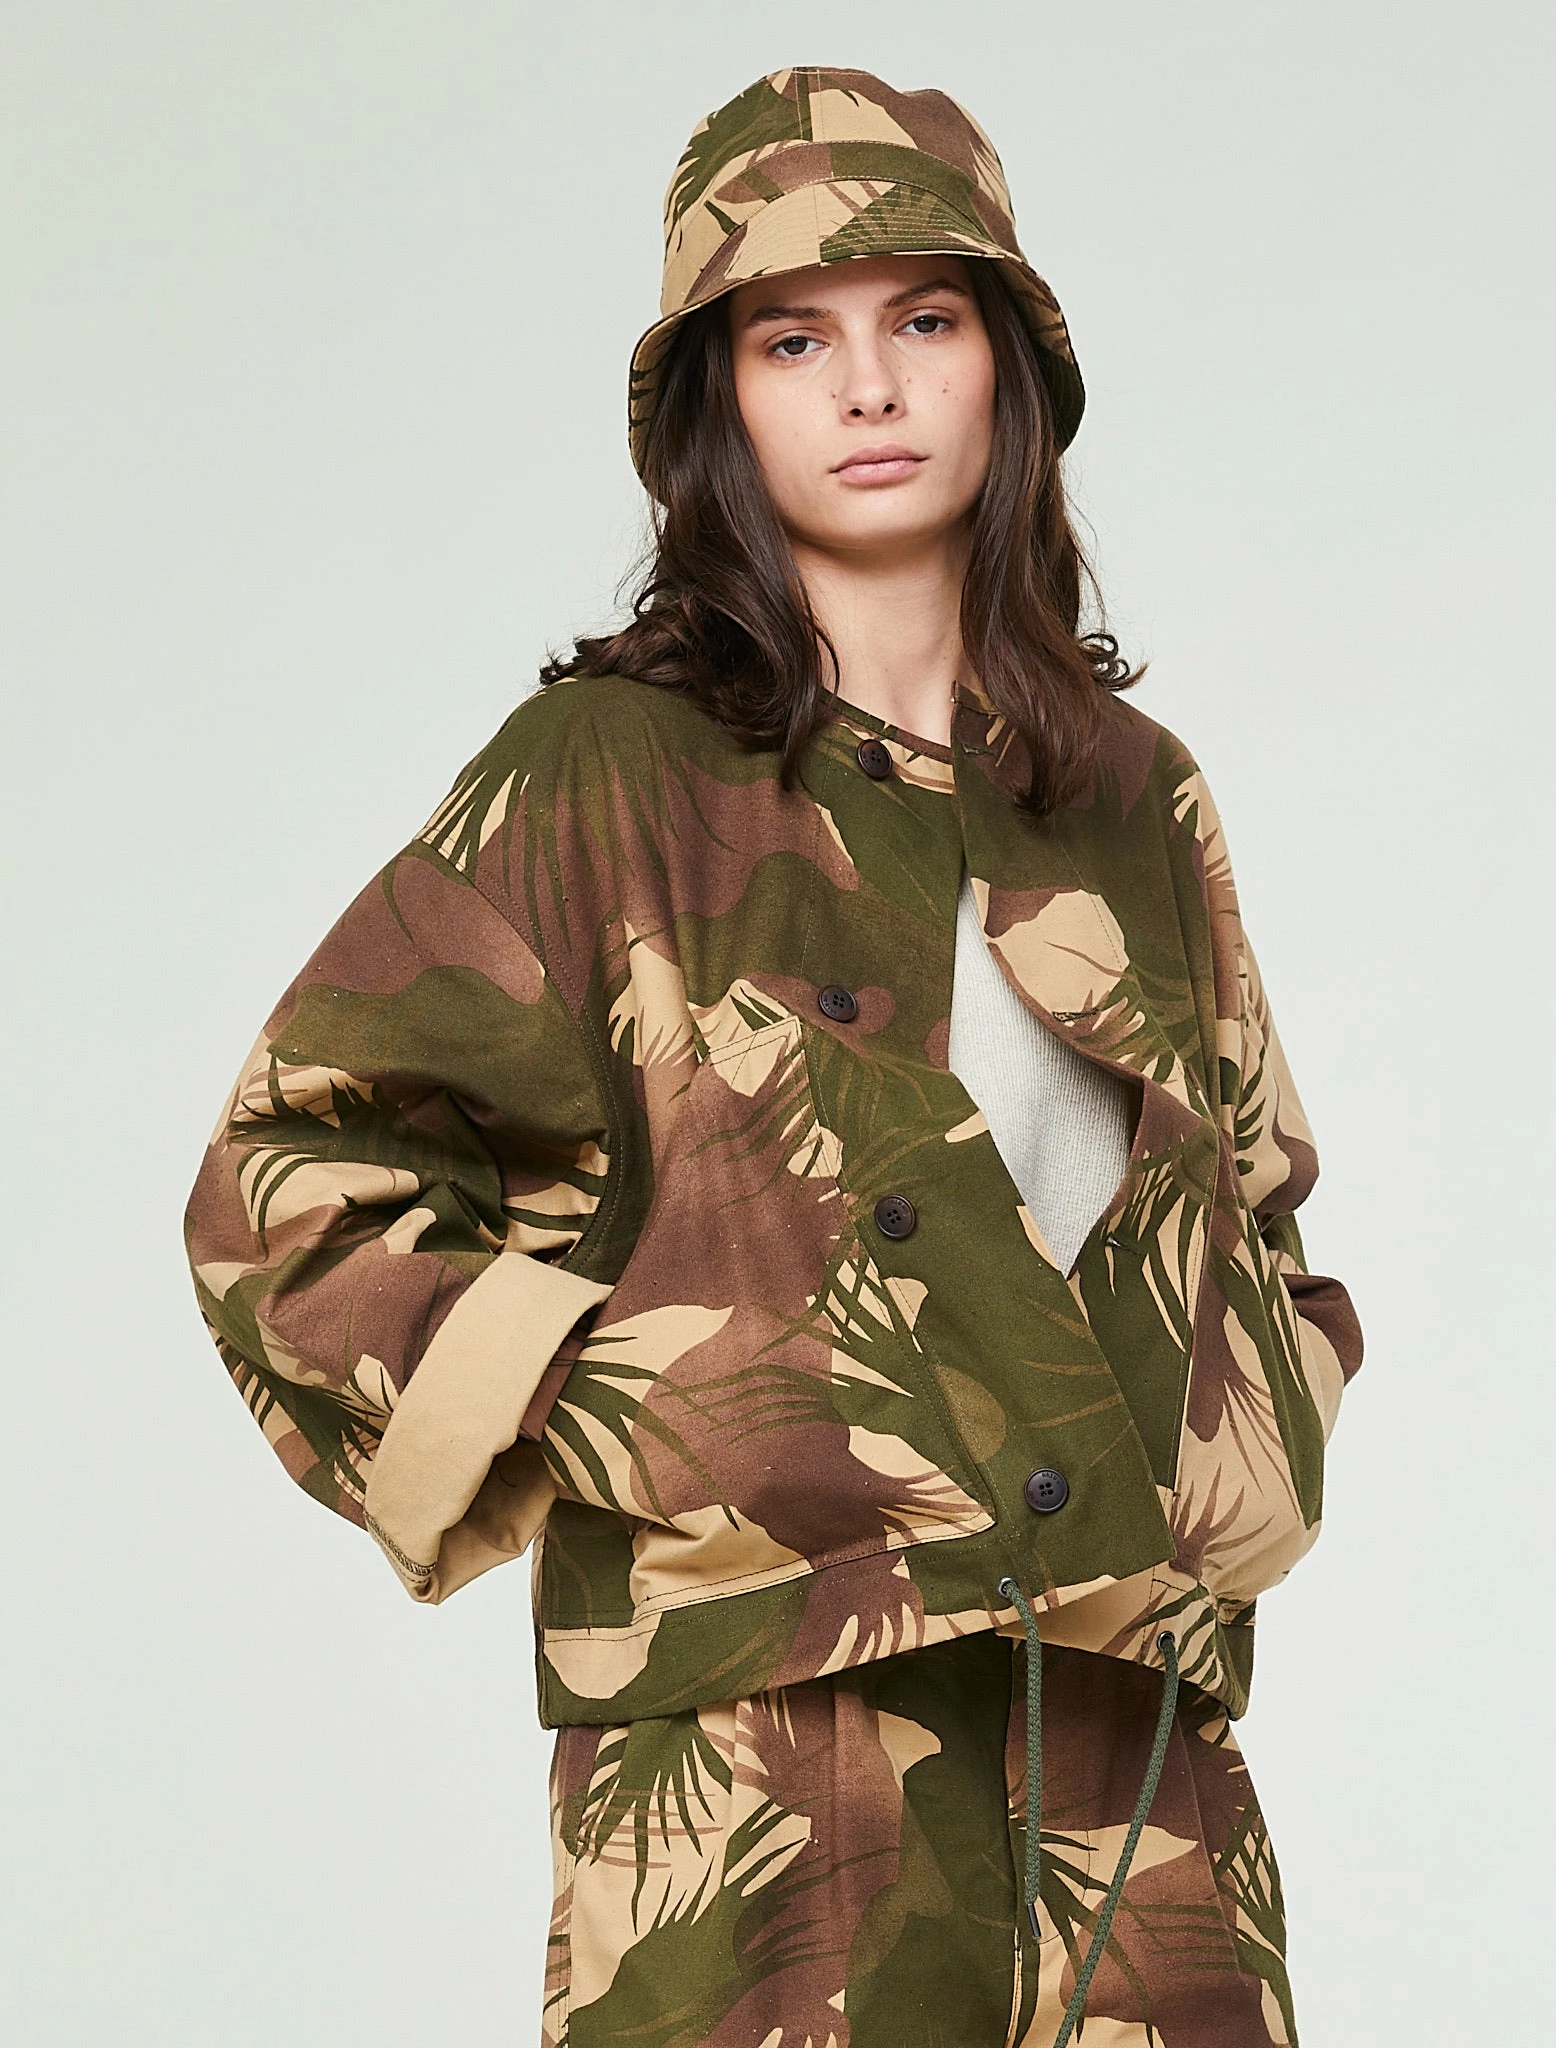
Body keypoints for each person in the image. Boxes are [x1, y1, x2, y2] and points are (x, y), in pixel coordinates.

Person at [184, 65, 1363, 2048]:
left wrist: (1258, 1446)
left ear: (1012, 371)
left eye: (926, 319)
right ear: (717, 403)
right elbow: (285, 1196)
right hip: (764, 1777)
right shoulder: (607, 778)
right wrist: (649, 1410)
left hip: (1133, 1760)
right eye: (793, 338)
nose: (870, 387)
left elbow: (1256, 1205)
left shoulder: (1132, 798)